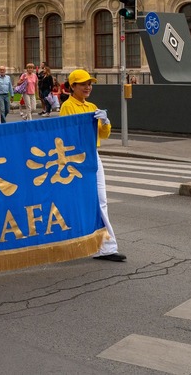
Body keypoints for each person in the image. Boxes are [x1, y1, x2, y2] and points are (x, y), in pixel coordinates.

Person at [59, 69, 126, 263]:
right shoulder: (67, 106)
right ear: (73, 87)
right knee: (78, 202)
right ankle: (76, 242)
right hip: (75, 159)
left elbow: (103, 135)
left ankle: (105, 247)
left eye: (90, 83)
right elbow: (67, 134)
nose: (88, 87)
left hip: (93, 156)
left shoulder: (92, 106)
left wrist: (105, 122)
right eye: (83, 84)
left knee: (101, 200)